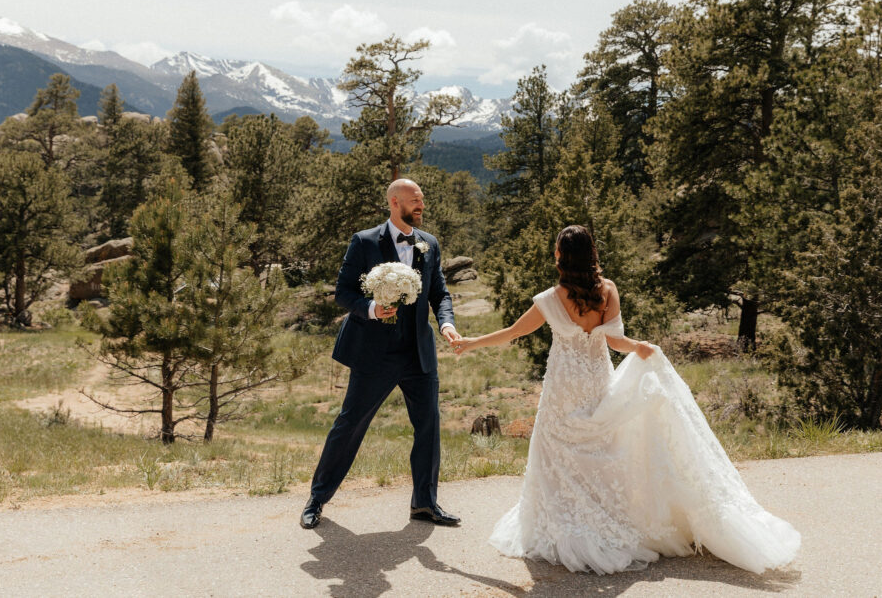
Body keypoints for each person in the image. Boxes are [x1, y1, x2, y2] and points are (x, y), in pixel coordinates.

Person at [452, 225, 800, 574]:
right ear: (591, 253)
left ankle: (565, 521)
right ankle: (605, 517)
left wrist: (469, 342)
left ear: (561, 256)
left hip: (563, 388)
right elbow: (615, 340)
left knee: (556, 451)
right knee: (602, 449)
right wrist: (639, 347)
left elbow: (513, 332)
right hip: (596, 381)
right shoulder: (607, 290)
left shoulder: (550, 298)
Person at [301, 178, 462, 529]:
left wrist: (447, 324)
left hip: (417, 352)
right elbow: (343, 292)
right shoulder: (363, 241)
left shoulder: (429, 244)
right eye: (414, 201)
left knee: (429, 426)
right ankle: (317, 498)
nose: (420, 206)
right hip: (375, 353)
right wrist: (372, 308)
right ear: (394, 202)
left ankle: (424, 502)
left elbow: (440, 293)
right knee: (350, 424)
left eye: (421, 200)